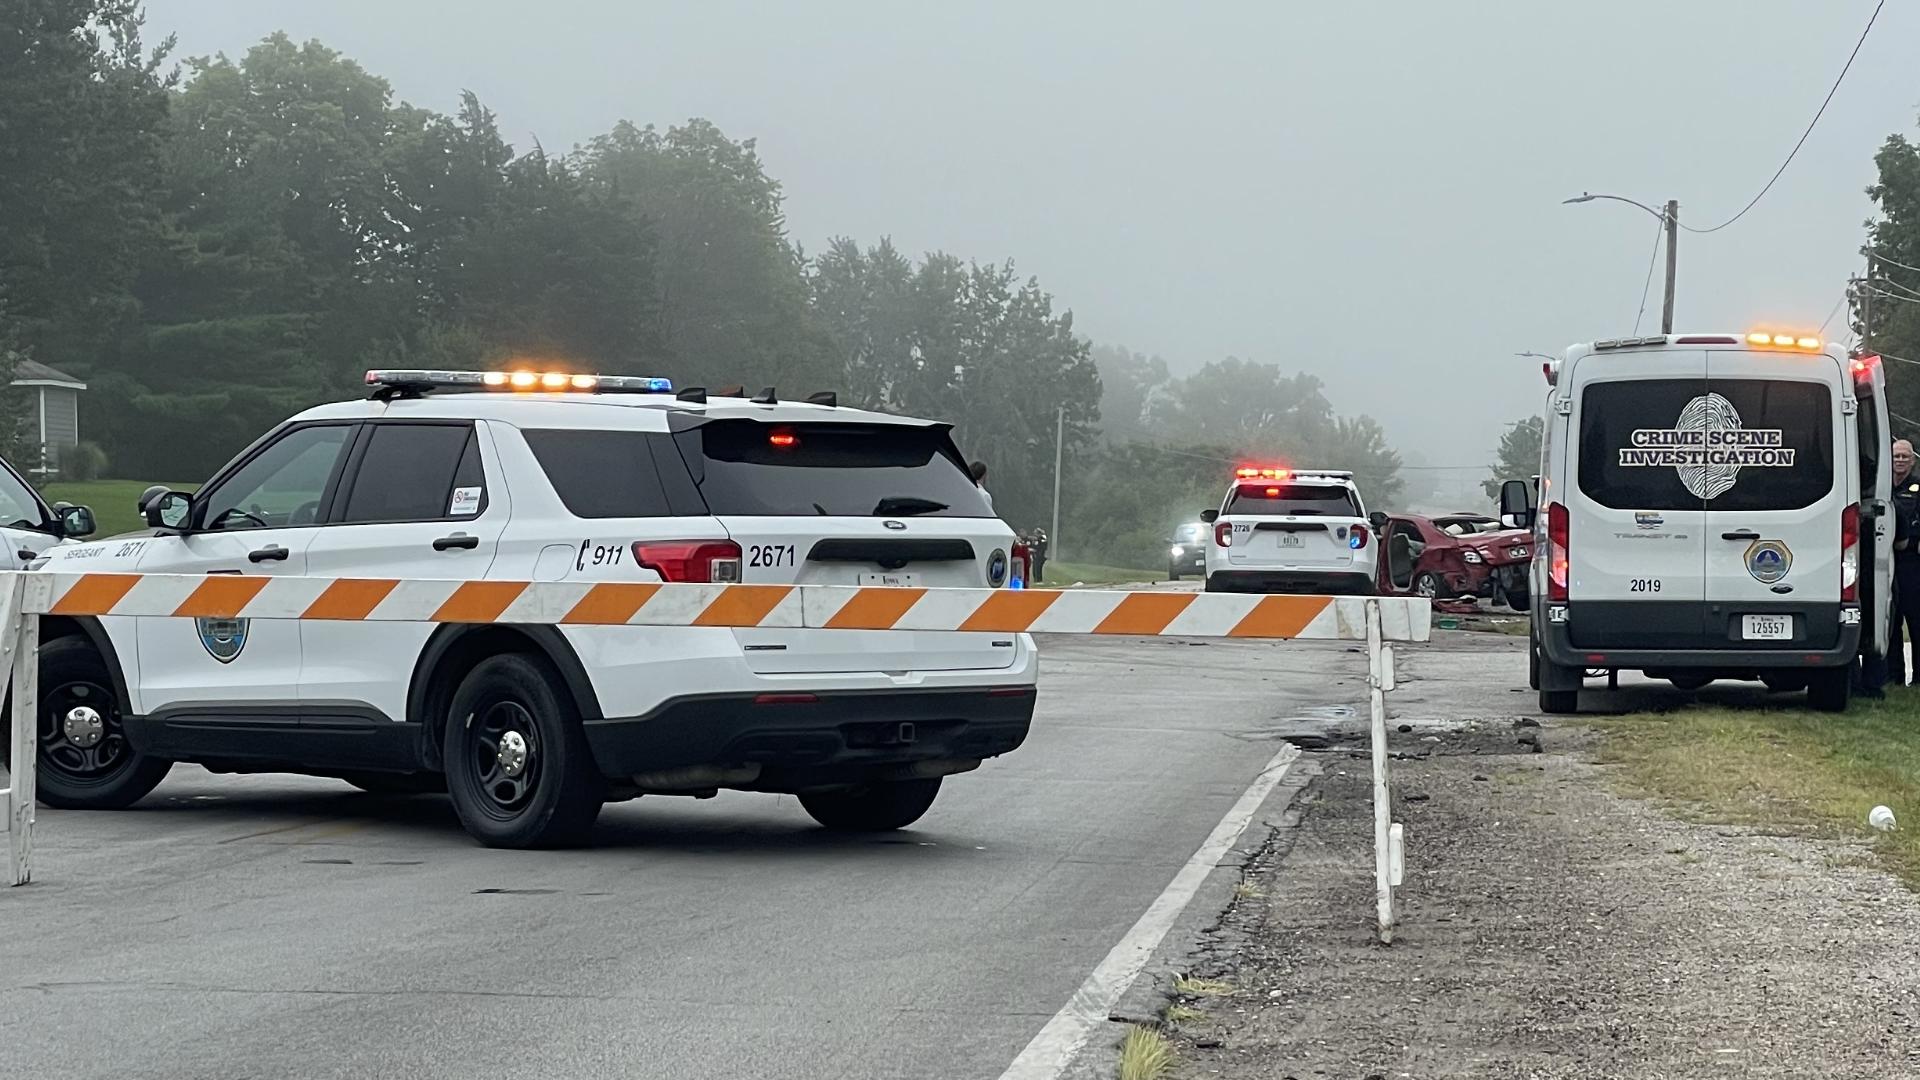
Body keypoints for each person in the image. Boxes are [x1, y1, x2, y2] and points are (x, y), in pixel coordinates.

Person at [1888, 439, 1920, 686]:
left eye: (1904, 457)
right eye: (1896, 456)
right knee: (1891, 620)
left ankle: (1918, 677)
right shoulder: (1882, 486)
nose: (1900, 461)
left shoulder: (1917, 487)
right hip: (1885, 559)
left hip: (1911, 561)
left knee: (1915, 620)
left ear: (1913, 460)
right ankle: (1894, 676)